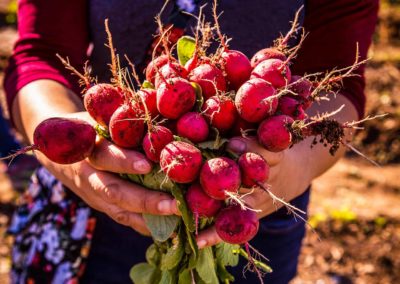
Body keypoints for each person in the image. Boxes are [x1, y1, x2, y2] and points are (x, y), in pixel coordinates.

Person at [3, 0, 378, 283]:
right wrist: (77, 159)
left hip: (256, 212)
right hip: (92, 203)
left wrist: (288, 169)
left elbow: (339, 85)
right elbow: (41, 55)